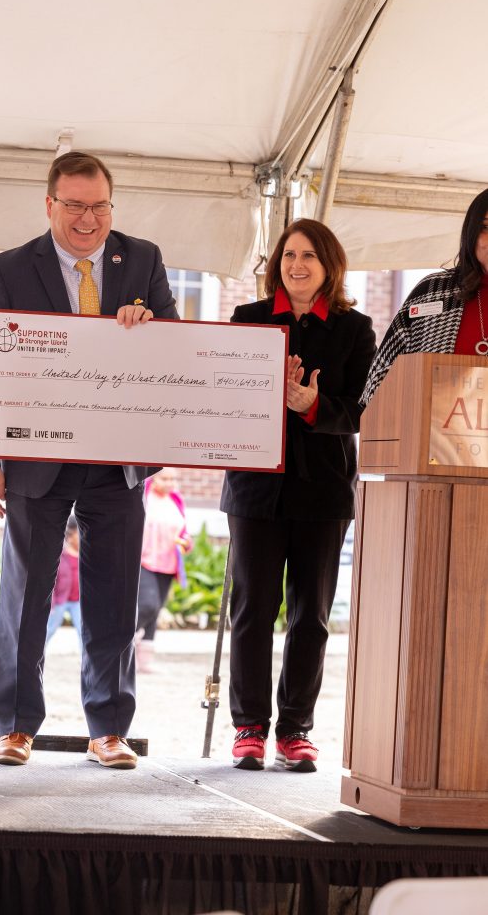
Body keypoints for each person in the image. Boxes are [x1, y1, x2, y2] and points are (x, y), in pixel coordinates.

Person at [0, 150, 177, 769]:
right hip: (37, 455)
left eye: (100, 206)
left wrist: (152, 324)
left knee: (115, 594)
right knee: (27, 594)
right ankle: (13, 725)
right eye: (76, 205)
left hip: (119, 461)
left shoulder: (143, 259)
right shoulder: (11, 267)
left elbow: (175, 347)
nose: (89, 218)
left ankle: (108, 728)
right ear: (50, 204)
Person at [220, 218, 376, 773]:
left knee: (310, 617)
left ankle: (295, 730)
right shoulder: (250, 320)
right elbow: (224, 393)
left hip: (323, 491)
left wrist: (310, 404)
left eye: (309, 255)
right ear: (277, 264)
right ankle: (249, 727)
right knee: (252, 610)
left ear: (330, 265)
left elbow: (362, 408)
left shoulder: (356, 330)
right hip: (255, 491)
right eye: (289, 254)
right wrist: (270, 396)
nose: (297, 264)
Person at [361, 187, 488, 406]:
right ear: (471, 233)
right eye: (485, 227)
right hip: (433, 436)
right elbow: (379, 379)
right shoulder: (432, 292)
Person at [135, 468, 190, 673]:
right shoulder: (144, 495)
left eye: (173, 479)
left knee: (156, 610)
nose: (170, 483)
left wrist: (186, 541)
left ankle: (144, 662)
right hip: (144, 560)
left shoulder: (175, 500)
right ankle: (120, 640)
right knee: (148, 605)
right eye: (165, 478)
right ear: (154, 478)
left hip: (168, 564)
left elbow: (184, 531)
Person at [46, 515, 82, 645]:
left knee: (83, 631)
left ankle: (85, 661)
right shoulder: (62, 556)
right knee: (49, 629)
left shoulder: (83, 556)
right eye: (79, 534)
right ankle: (39, 654)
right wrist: (52, 601)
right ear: (71, 536)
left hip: (77, 602)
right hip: (60, 600)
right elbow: (52, 579)